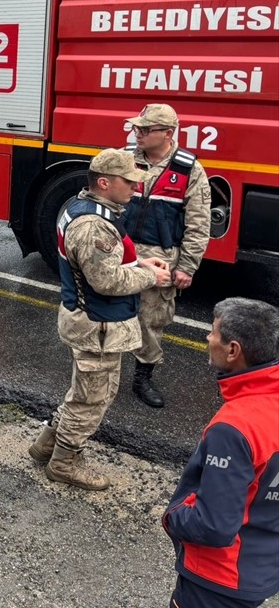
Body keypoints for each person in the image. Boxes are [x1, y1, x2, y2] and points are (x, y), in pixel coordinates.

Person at [146, 297, 279, 608]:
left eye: (213, 332)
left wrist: (173, 516)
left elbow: (214, 526)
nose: (207, 338)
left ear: (233, 350)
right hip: (263, 559)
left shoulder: (235, 427)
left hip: (220, 575)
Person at [28, 149, 170, 490]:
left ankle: (46, 445)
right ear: (104, 183)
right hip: (98, 326)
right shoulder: (94, 226)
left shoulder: (86, 208)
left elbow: (105, 263)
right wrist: (151, 277)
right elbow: (106, 281)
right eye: (129, 181)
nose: (135, 187)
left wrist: (139, 263)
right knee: (93, 399)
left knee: (84, 392)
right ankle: (64, 463)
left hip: (91, 321)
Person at [122, 104, 212, 408]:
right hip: (121, 252)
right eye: (137, 128)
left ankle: (142, 379)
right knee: (106, 312)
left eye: (146, 129)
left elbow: (198, 224)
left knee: (150, 320)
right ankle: (102, 372)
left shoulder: (188, 169)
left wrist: (187, 266)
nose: (138, 134)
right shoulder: (125, 158)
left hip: (160, 257)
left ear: (168, 133)